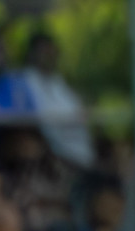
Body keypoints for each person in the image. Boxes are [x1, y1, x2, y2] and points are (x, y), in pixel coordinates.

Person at [20, 32, 95, 169]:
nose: (50, 55)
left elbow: (82, 113)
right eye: (45, 50)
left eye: (52, 51)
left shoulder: (57, 81)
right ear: (32, 53)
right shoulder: (25, 81)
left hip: (82, 153)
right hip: (56, 156)